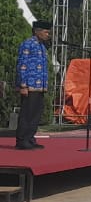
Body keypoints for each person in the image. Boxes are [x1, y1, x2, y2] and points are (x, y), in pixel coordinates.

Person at [14, 20, 52, 150]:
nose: (48, 35)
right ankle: (22, 140)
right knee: (27, 113)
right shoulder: (28, 44)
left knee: (36, 113)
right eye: (46, 32)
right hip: (29, 85)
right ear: (37, 31)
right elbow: (22, 65)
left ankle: (30, 138)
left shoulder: (42, 46)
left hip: (40, 85)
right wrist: (23, 85)